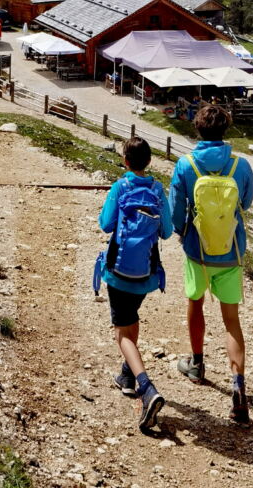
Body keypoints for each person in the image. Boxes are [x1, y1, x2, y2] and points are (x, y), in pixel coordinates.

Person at [168, 102, 253, 424]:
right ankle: (239, 387)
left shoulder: (185, 164)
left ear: (198, 128)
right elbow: (244, 202)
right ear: (225, 129)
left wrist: (181, 232)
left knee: (196, 303)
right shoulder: (240, 166)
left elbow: (176, 210)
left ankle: (197, 364)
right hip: (230, 250)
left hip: (197, 249)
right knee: (232, 320)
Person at [96, 136, 173, 432]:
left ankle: (146, 388)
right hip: (146, 274)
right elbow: (166, 232)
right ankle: (127, 375)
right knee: (132, 318)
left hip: (118, 271)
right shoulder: (157, 189)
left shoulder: (121, 186)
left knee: (122, 333)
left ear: (125, 162)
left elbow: (105, 224)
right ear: (149, 161)